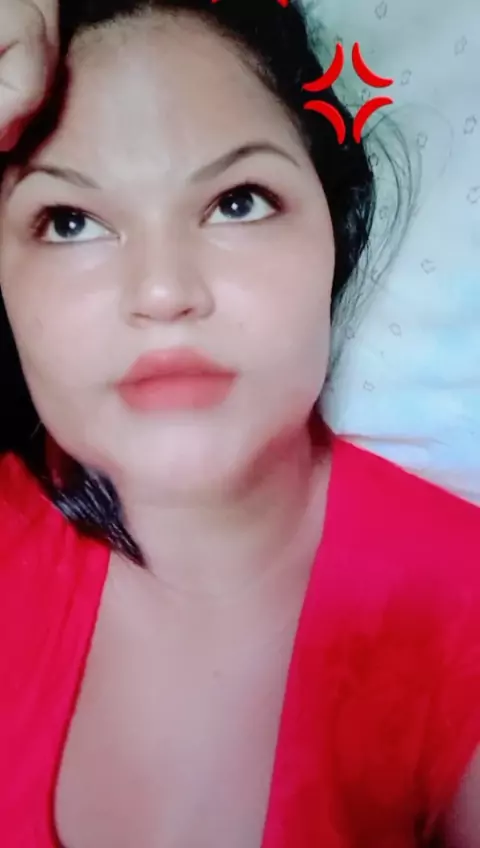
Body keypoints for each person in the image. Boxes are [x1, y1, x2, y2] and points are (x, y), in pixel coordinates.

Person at [0, 1, 479, 846]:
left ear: (335, 231)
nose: (163, 292)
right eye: (70, 222)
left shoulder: (459, 602)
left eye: (238, 202)